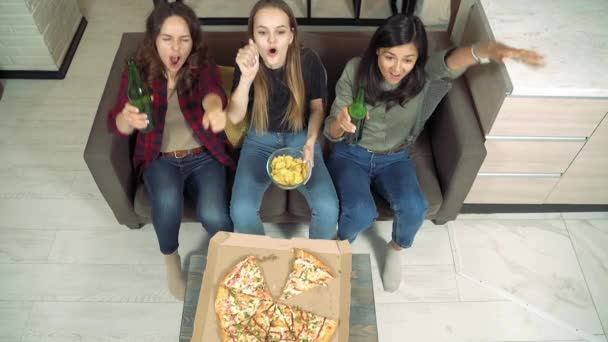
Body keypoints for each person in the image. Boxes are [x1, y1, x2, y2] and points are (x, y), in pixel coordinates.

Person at [324, 14, 544, 292]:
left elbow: (454, 61)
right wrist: (341, 124)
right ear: (378, 50)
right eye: (390, 57)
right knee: (360, 211)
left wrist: (484, 50)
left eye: (407, 59)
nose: (397, 68)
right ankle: (342, 244)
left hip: (395, 157)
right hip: (351, 154)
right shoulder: (355, 70)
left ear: (418, 59)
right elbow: (330, 132)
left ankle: (396, 249)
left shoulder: (423, 75)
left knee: (416, 206)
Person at [108, 2, 234, 300]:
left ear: (194, 40)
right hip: (160, 158)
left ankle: (229, 260)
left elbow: (213, 92)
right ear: (154, 39)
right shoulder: (137, 70)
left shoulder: (201, 64)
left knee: (214, 214)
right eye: (167, 39)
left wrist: (215, 109)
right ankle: (171, 262)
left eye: (184, 39)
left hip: (204, 156)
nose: (175, 48)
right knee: (166, 202)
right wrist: (126, 118)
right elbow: (118, 125)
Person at [227, 0, 339, 239]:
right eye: (262, 32)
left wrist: (310, 143)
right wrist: (246, 78)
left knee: (329, 208)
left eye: (280, 31)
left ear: (291, 35)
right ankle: (261, 262)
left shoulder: (309, 62)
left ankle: (314, 265)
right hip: (259, 140)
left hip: (301, 139)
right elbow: (235, 116)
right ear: (253, 38)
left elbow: (318, 109)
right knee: (241, 210)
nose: (271, 40)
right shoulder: (247, 64)